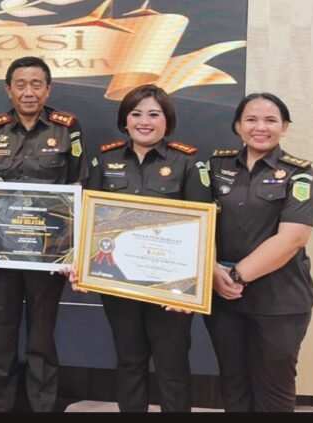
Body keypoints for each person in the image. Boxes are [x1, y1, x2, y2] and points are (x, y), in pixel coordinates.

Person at [81, 84, 211, 412]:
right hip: (118, 281)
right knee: (129, 360)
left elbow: (203, 228)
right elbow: (89, 219)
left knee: (172, 364)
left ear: (167, 120)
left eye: (154, 114)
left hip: (170, 286)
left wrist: (190, 289)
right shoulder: (105, 159)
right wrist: (83, 267)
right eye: (136, 114)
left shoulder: (187, 162)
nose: (144, 121)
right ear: (124, 120)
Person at [0, 56, 87, 412]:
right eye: (20, 85)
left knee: (41, 339)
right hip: (0, 255)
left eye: (36, 84)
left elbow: (78, 186)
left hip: (48, 255)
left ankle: (43, 407)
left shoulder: (67, 129)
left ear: (48, 89)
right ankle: (2, 407)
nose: (28, 92)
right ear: (8, 90)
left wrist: (71, 250)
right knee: (1, 339)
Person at [205, 93, 313, 412]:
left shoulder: (299, 174)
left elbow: (292, 239)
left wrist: (234, 276)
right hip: (225, 300)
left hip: (279, 301)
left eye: (271, 120)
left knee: (273, 390)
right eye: (251, 119)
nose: (261, 127)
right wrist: (211, 269)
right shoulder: (215, 167)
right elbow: (198, 222)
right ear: (237, 126)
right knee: (233, 385)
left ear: (284, 127)